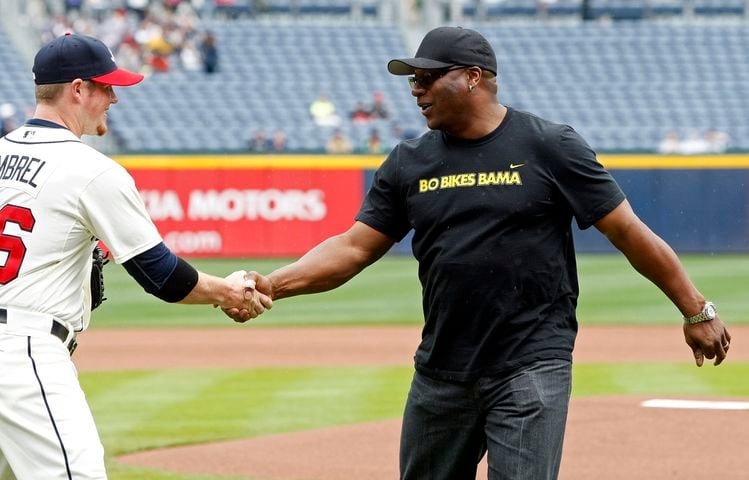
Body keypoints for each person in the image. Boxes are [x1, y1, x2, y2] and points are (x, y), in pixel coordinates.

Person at [224, 26, 731, 480]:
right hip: (440, 371)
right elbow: (353, 247)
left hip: (530, 366)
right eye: (411, 80)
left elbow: (627, 231)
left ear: (472, 77)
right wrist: (274, 284)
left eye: (427, 77)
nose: (415, 89)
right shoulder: (408, 161)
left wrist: (695, 308)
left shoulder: (549, 145)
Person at [0, 33, 271, 480]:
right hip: (24, 352)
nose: (114, 98)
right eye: (106, 86)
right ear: (78, 89)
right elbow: (162, 277)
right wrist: (229, 291)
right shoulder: (89, 169)